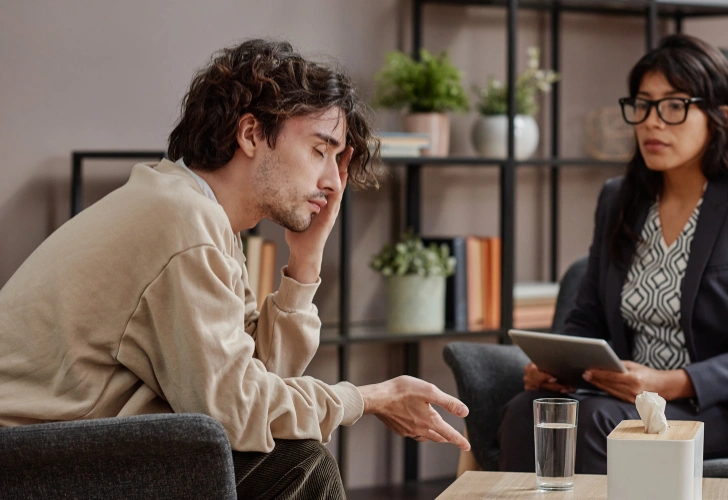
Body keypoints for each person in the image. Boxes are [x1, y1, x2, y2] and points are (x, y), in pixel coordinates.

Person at [0, 39, 469, 499]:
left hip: (67, 451)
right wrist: (367, 398)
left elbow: (259, 381)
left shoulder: (198, 216)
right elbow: (241, 414)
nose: (331, 181)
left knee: (290, 457)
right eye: (319, 150)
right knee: (298, 464)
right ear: (249, 134)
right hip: (31, 463)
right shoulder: (183, 222)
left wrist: (303, 263)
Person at [499, 34, 728, 474]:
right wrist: (555, 367)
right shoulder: (619, 199)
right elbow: (586, 319)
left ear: (720, 116)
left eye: (674, 106)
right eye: (642, 105)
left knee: (596, 424)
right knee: (528, 411)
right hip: (626, 397)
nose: (652, 123)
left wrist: (667, 383)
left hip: (726, 407)